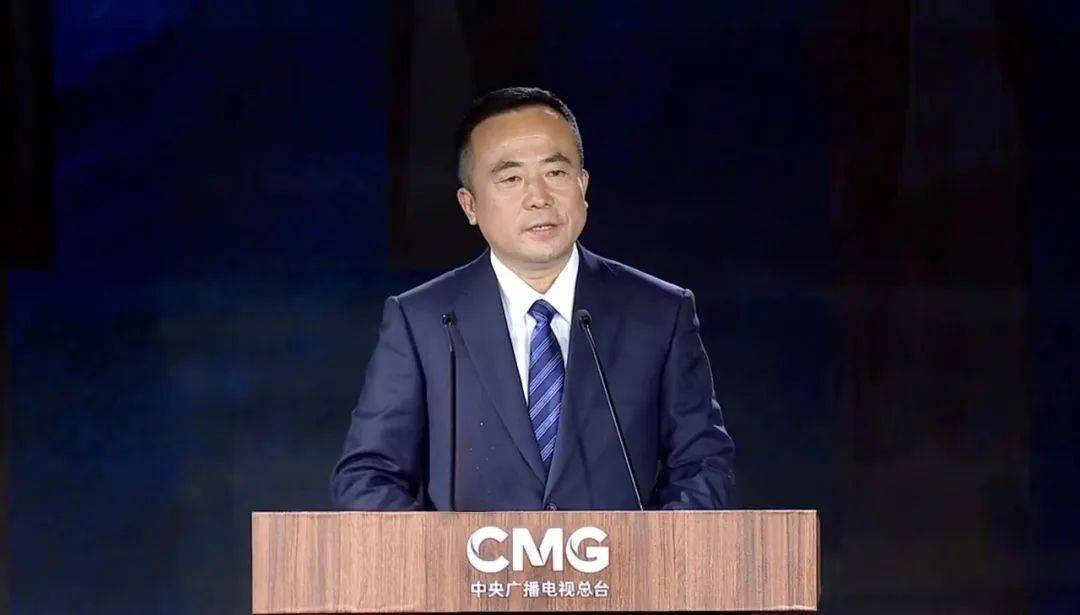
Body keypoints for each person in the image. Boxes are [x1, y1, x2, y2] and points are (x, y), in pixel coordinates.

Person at [331, 87, 735, 510]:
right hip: (468, 558)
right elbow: (367, 477)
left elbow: (703, 464)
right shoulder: (423, 321)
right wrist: (441, 550)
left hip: (621, 557)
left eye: (556, 173)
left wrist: (652, 547)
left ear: (582, 185)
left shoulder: (660, 313)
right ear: (470, 205)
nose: (539, 197)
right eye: (511, 179)